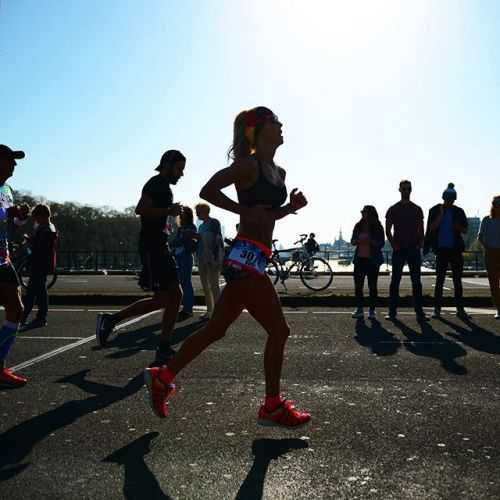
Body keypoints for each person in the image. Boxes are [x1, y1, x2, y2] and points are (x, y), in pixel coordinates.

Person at [143, 106, 311, 427]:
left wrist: (290, 207)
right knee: (279, 330)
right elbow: (207, 191)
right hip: (245, 257)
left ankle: (163, 377)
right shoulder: (246, 165)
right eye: (276, 123)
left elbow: (266, 214)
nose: (282, 126)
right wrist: (241, 210)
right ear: (259, 130)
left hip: (256, 256)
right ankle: (272, 406)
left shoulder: (279, 172)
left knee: (215, 330)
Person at [96, 150, 185, 366]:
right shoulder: (156, 183)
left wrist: (169, 212)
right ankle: (113, 320)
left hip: (160, 245)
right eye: (179, 168)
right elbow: (141, 210)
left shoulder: (165, 186)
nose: (182, 174)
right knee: (164, 298)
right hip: (152, 246)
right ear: (167, 165)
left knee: (175, 296)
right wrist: (169, 210)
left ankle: (163, 344)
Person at [0, 145, 28, 387]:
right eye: (10, 160)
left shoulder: (7, 189)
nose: (14, 165)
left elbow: (11, 224)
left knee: (16, 308)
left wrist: (20, 218)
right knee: (15, 307)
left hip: (2, 256)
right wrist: (8, 214)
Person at [424, 183, 469, 319]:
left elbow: (465, 230)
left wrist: (457, 225)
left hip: (455, 250)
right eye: (448, 199)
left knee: (457, 281)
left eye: (451, 199)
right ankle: (437, 309)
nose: (449, 201)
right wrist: (441, 215)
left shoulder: (459, 211)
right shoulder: (435, 210)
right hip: (441, 250)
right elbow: (431, 228)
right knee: (440, 281)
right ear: (443, 197)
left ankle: (460, 309)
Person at [385, 180, 427, 321]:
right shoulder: (393, 209)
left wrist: (420, 243)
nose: (406, 191)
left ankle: (419, 311)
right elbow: (388, 230)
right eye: (404, 189)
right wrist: (393, 244)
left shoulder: (417, 209)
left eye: (408, 189)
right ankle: (392, 311)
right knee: (395, 280)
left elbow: (421, 228)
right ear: (399, 190)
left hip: (413, 249)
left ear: (411, 190)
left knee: (416, 281)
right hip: (399, 249)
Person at [21, 204, 58, 328]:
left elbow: (40, 247)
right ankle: (31, 317)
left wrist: (30, 242)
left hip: (40, 263)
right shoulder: (49, 227)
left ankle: (36, 317)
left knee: (35, 291)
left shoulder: (45, 229)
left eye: (36, 217)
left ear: (42, 216)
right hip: (43, 263)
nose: (35, 220)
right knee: (37, 291)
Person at [350, 206, 385, 320]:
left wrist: (370, 240)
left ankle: (372, 310)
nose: (362, 214)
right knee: (358, 286)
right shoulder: (358, 225)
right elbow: (352, 241)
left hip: (372, 260)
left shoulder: (377, 226)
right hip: (359, 259)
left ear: (370, 213)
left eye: (364, 212)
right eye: (362, 212)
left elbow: (381, 243)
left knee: (372, 286)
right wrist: (358, 240)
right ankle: (359, 309)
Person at [195, 203, 224, 319]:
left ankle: (218, 311)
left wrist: (217, 257)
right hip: (202, 257)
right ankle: (209, 311)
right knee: (205, 286)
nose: (196, 214)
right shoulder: (201, 226)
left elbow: (218, 239)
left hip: (213, 257)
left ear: (204, 211)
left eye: (198, 211)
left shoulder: (214, 223)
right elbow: (201, 241)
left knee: (214, 285)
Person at [172, 206, 198, 322]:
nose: (181, 216)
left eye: (183, 214)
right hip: (179, 256)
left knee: (185, 282)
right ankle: (184, 307)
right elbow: (177, 241)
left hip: (186, 256)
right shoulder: (181, 228)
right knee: (180, 282)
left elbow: (182, 240)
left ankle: (188, 309)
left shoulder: (191, 227)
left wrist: (178, 240)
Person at [478, 195, 500, 320]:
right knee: (493, 283)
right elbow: (480, 236)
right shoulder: (486, 220)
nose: (498, 206)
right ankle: (498, 309)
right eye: (496, 204)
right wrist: (486, 246)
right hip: (490, 253)